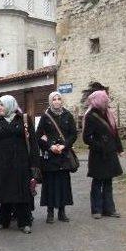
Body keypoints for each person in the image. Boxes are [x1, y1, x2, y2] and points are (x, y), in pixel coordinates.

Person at [0, 95, 39, 234]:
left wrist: (34, 163)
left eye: (2, 105)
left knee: (22, 193)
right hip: (1, 164)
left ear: (10, 105)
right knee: (5, 192)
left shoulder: (23, 119)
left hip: (21, 163)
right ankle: (3, 220)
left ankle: (25, 222)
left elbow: (33, 143)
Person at [36, 92, 78, 223]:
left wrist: (64, 146)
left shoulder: (67, 115)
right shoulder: (45, 116)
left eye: (59, 99)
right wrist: (50, 146)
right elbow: (38, 136)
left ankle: (62, 211)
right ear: (50, 101)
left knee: (63, 184)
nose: (57, 101)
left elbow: (73, 134)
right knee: (50, 184)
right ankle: (50, 213)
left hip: (63, 156)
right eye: (54, 99)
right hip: (51, 157)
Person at [83, 90, 123, 219]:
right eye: (105, 99)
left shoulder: (109, 114)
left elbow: (114, 133)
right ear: (98, 100)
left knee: (108, 182)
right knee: (98, 182)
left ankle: (109, 209)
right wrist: (100, 145)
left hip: (110, 153)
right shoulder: (90, 116)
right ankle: (96, 209)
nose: (107, 101)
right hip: (98, 155)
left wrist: (119, 148)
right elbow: (86, 138)